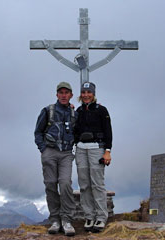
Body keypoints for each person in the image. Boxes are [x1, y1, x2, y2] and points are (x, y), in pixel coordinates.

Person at [34, 82, 77, 236]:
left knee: (65, 183)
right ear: (57, 94)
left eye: (67, 92)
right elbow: (38, 132)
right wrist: (43, 149)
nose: (64, 95)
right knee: (51, 184)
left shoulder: (74, 114)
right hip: (50, 152)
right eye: (61, 92)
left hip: (66, 153)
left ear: (71, 95)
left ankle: (66, 219)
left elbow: (78, 131)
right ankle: (54, 220)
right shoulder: (47, 111)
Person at [74, 82, 112, 232]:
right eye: (83, 92)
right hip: (81, 149)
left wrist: (107, 151)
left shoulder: (102, 110)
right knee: (84, 185)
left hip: (97, 148)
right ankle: (89, 217)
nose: (86, 95)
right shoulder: (78, 111)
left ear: (93, 94)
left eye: (89, 92)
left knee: (97, 184)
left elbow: (108, 131)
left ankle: (101, 218)